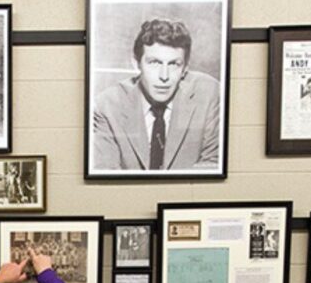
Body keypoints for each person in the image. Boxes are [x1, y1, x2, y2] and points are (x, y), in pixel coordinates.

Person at [91, 18, 221, 172]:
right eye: (154, 63)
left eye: (174, 64)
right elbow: (105, 174)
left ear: (185, 67)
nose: (164, 76)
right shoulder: (106, 106)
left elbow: (214, 164)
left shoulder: (209, 94)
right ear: (136, 63)